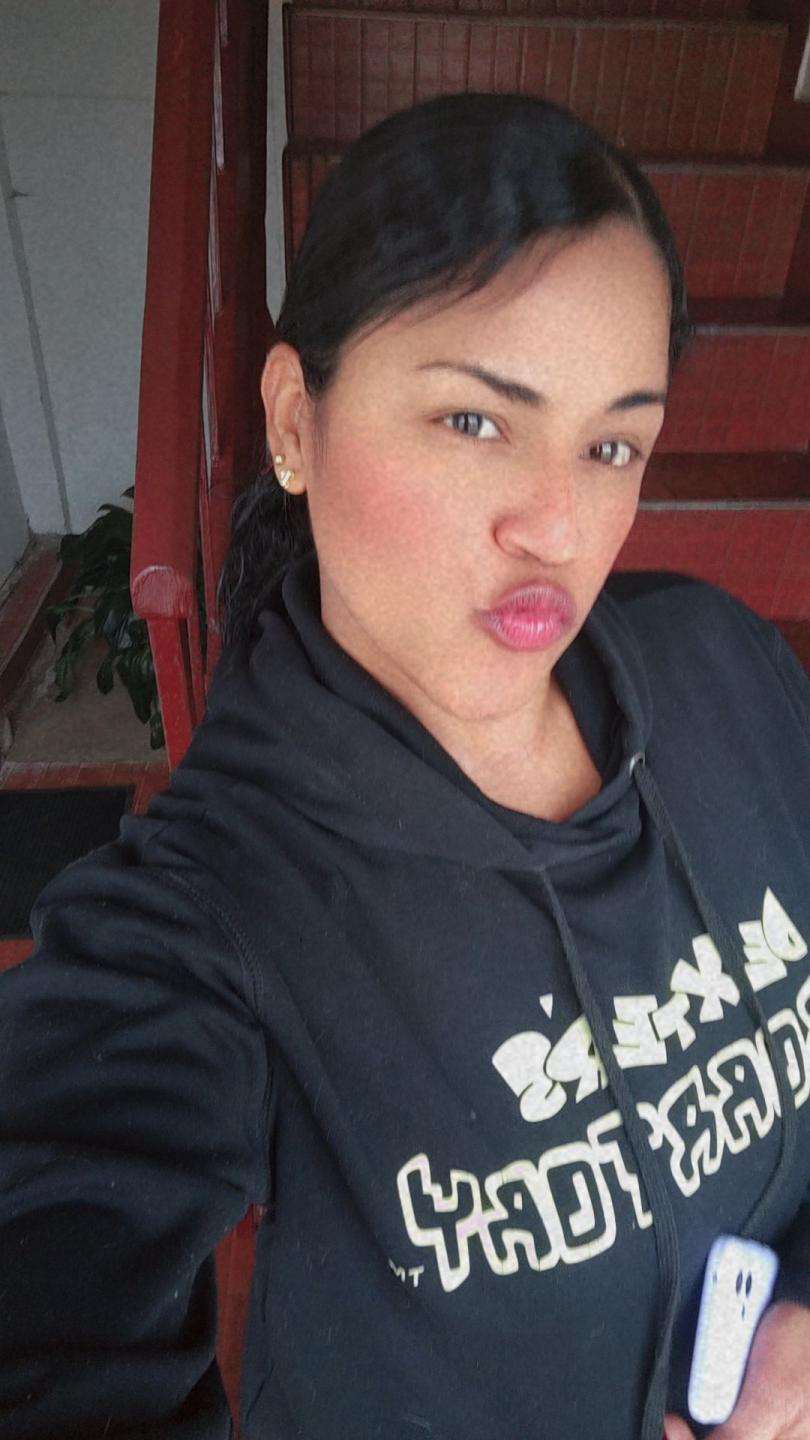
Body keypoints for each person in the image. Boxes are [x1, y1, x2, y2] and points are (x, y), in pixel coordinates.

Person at [0, 91, 808, 1440]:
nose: (559, 524)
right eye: (475, 421)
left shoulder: (725, 669)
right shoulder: (218, 908)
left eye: (612, 443)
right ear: (293, 421)